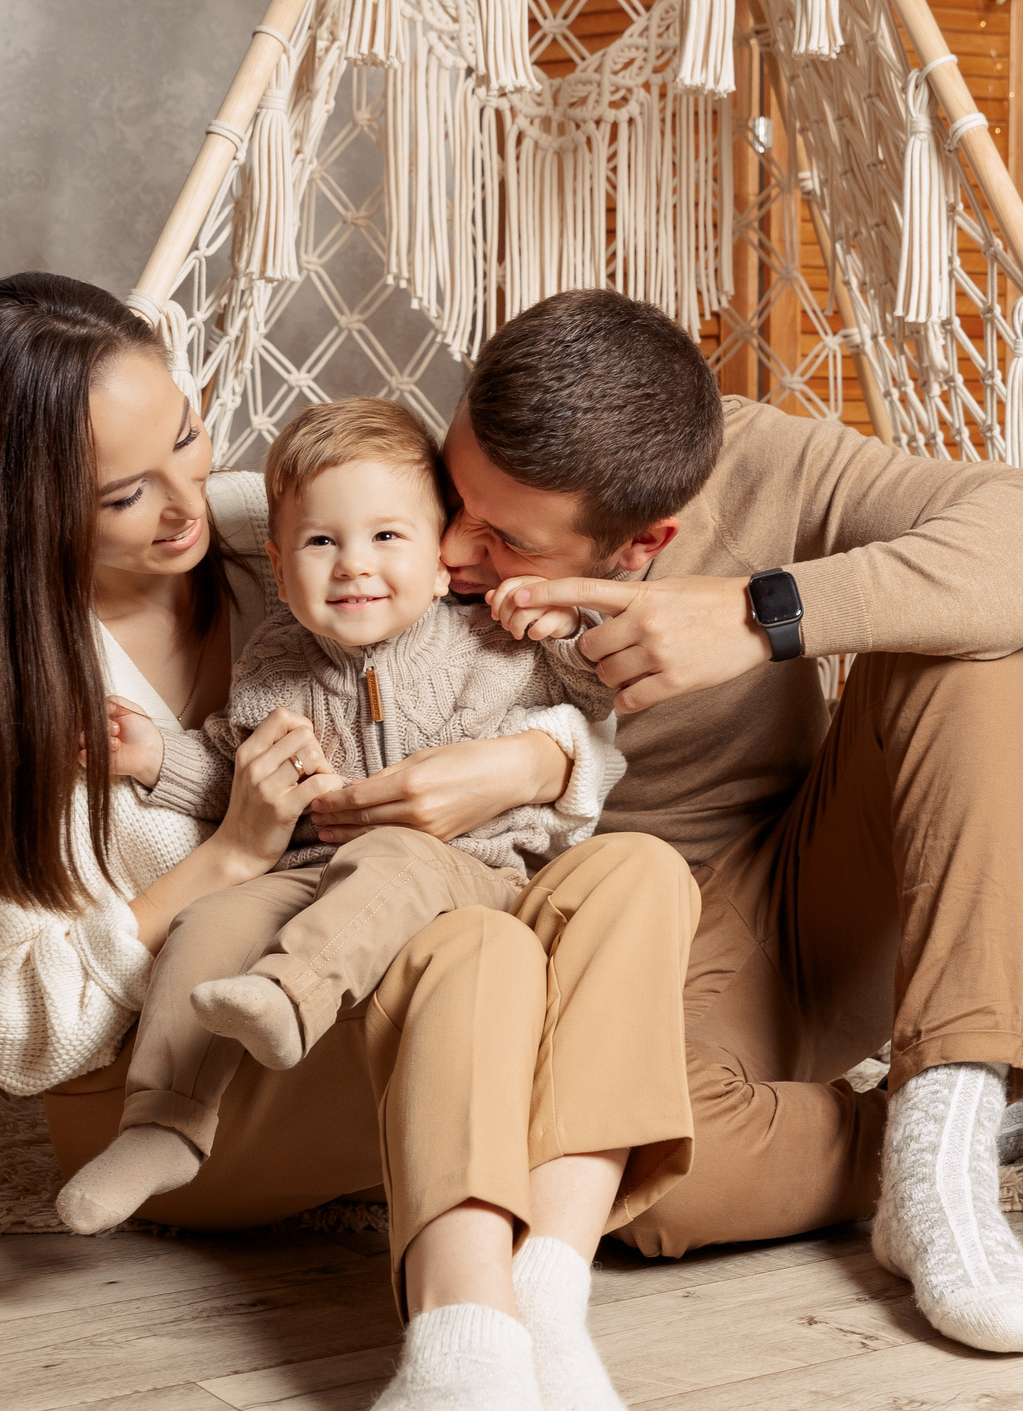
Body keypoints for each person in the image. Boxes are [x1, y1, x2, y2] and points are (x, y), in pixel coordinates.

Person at [0, 274, 697, 1411]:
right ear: (22, 524)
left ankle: (543, 1312)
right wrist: (223, 855)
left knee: (636, 869)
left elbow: (476, 614)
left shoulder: (264, 530)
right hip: (198, 1081)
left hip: (395, 1010)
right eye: (125, 495)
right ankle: (466, 1350)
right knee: (480, 949)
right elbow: (18, 1036)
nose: (188, 499)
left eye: (186, 433)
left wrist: (529, 759)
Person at [320, 289, 1023, 1354]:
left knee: (970, 636)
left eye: (504, 538)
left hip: (797, 905)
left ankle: (951, 1109)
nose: (452, 552)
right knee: (651, 1191)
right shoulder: (404, 530)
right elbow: (280, 514)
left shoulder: (757, 462)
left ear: (642, 543)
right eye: (452, 496)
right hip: (609, 964)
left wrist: (760, 614)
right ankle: (941, 1136)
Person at [58, 396, 620, 1234]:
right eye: (323, 542)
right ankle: (163, 1123)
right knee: (209, 918)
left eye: (387, 537)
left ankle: (290, 994)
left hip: (466, 884)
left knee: (393, 856)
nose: (354, 564)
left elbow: (594, 695)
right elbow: (232, 777)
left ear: (444, 563)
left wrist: (571, 626)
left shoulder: (496, 645)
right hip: (311, 883)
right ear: (281, 574)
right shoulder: (274, 666)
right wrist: (155, 757)